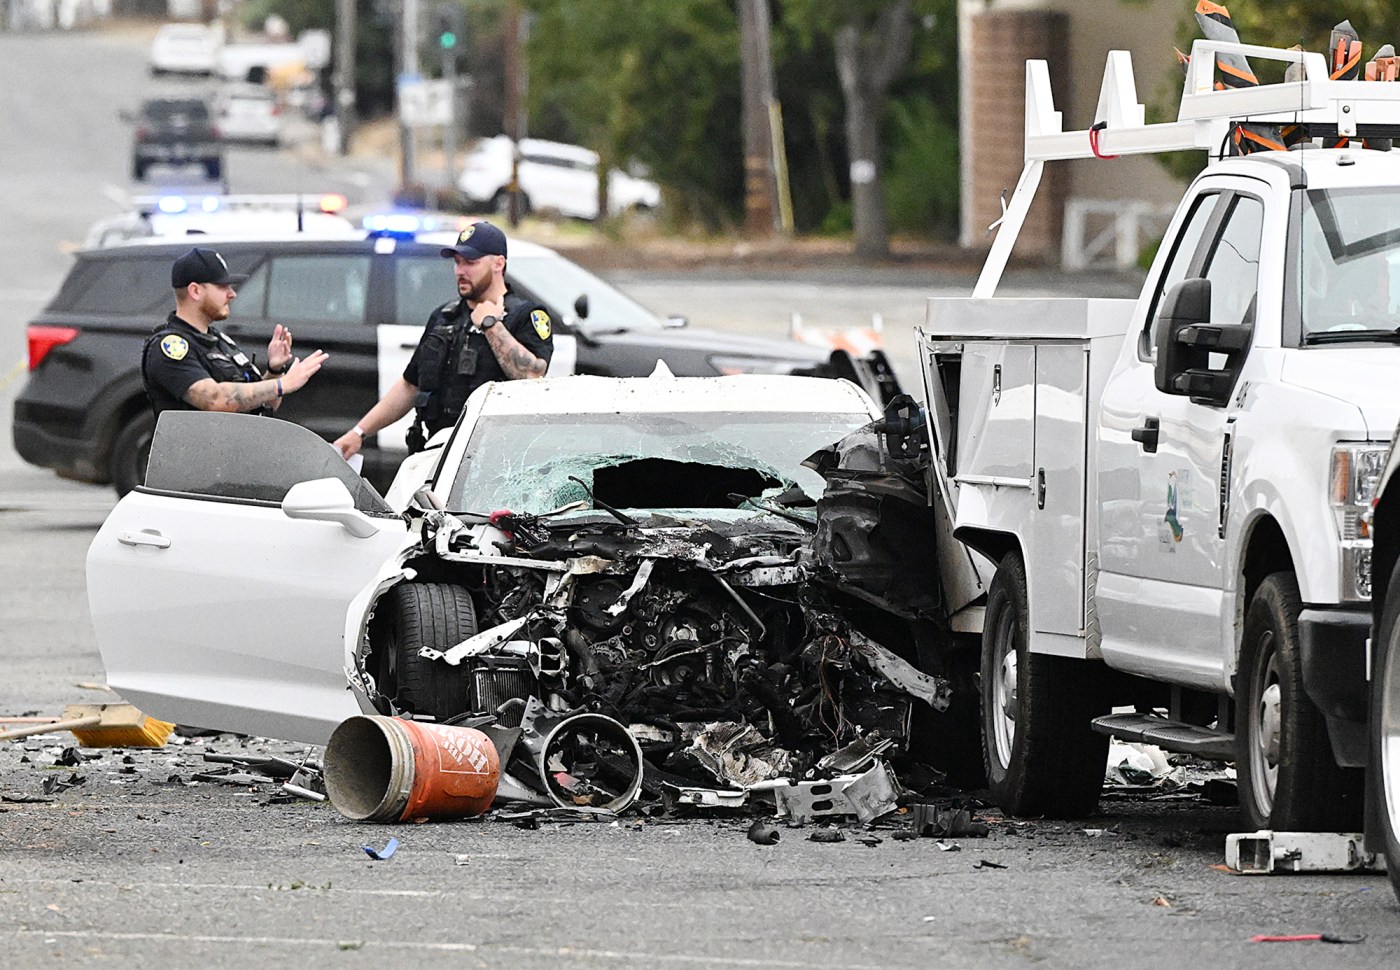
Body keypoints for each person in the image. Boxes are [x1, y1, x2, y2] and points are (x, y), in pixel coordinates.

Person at [334, 221, 553, 459]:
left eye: (470, 263)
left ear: (498, 263)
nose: (460, 271)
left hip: (497, 457)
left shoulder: (524, 315)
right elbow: (410, 384)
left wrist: (490, 325)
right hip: (439, 451)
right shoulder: (444, 316)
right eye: (457, 262)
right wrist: (359, 432)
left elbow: (533, 377)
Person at [142, 247, 327, 417]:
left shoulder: (221, 342)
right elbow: (214, 400)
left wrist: (275, 370)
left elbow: (261, 404)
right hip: (197, 453)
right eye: (222, 286)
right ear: (195, 291)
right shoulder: (169, 348)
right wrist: (282, 384)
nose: (232, 294)